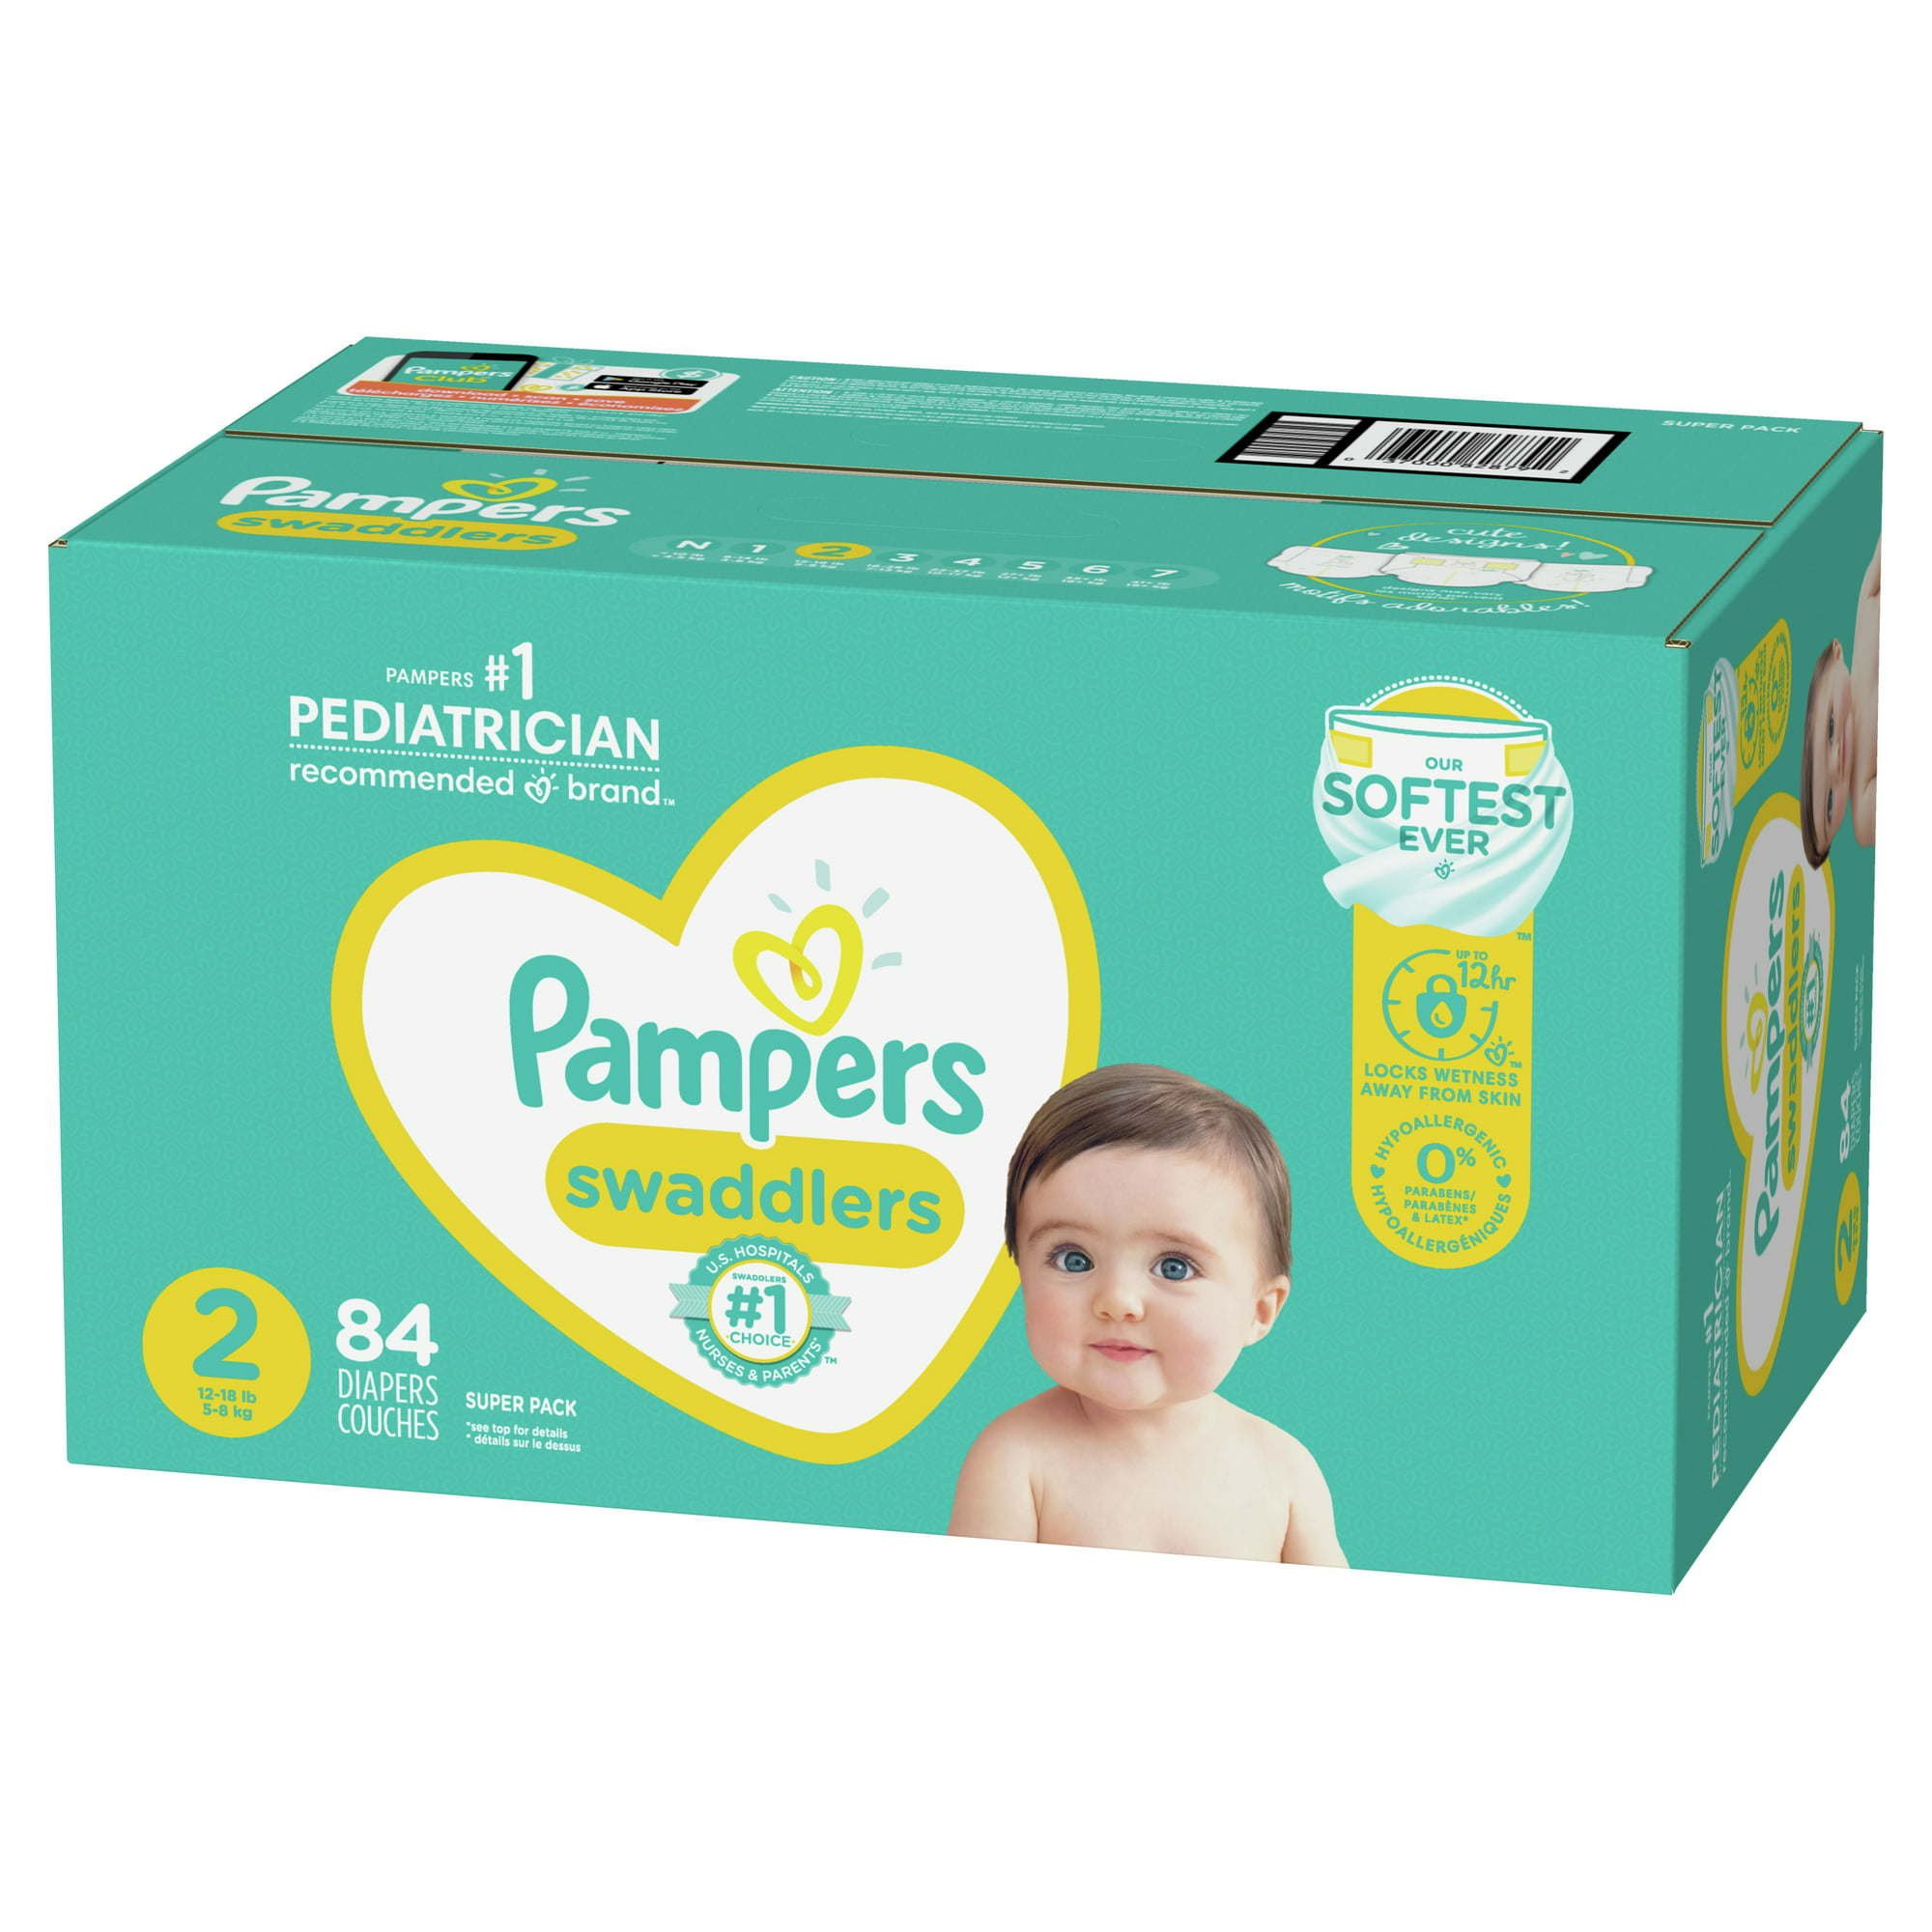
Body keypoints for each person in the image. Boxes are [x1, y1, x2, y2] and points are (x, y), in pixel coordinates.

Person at [950, 1064, 1346, 1565]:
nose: (1117, 1299)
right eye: (1074, 1259)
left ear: (1259, 1310)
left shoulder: (1284, 1472)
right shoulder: (1017, 1460)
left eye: (1174, 1267)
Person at [1800, 540, 1880, 867]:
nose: (1837, 763)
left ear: (1836, 653)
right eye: (1831, 803)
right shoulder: (1863, 810)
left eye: (1830, 726)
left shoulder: (1866, 610)